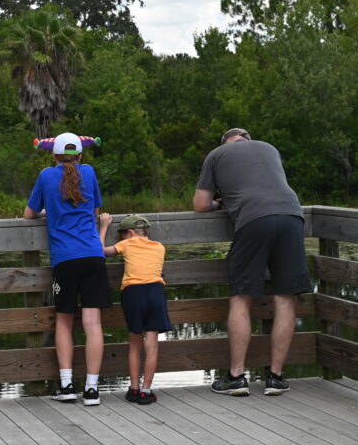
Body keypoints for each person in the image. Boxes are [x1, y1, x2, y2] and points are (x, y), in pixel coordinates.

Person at [193, 127, 310, 397]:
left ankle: (236, 376)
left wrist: (219, 204)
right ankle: (276, 378)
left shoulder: (218, 154)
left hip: (253, 219)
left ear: (226, 143)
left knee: (241, 296)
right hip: (292, 216)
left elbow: (200, 203)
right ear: (247, 140)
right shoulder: (269, 148)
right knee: (284, 297)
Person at [24, 132, 110, 406]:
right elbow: (95, 211)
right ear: (81, 155)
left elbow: (29, 213)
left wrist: (50, 212)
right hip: (93, 255)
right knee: (92, 324)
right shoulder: (89, 172)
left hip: (65, 259)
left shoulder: (47, 176)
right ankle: (93, 390)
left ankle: (66, 385)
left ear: (54, 155)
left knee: (64, 321)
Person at [99, 213, 171, 406]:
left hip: (133, 293)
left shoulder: (128, 244)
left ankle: (133, 388)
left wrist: (104, 226)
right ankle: (146, 391)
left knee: (135, 342)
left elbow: (100, 250)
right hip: (156, 291)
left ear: (130, 233)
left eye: (122, 235)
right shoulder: (160, 247)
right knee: (152, 344)